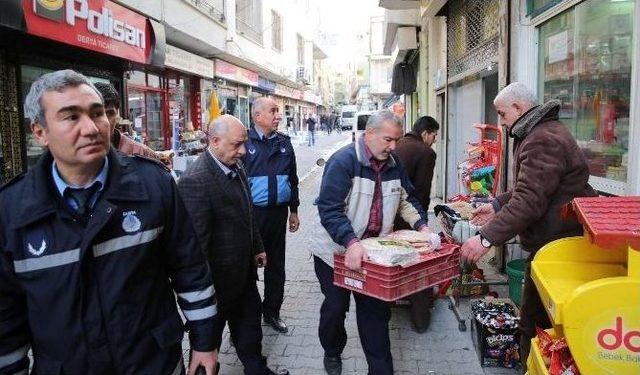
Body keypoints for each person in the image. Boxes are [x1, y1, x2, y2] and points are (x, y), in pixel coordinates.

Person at [0, 70, 218, 374]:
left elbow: (190, 269)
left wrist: (205, 343)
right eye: (71, 117)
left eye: (97, 113)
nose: (91, 128)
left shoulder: (154, 184)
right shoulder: (11, 210)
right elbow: (6, 313)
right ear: (40, 132)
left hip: (153, 363)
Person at [460, 82, 597, 370]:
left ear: (519, 108)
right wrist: (497, 204)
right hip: (555, 242)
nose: (501, 121)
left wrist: (484, 239)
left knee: (534, 323)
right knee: (540, 321)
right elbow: (536, 188)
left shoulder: (541, 139)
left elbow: (530, 200)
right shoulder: (541, 132)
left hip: (558, 247)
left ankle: (532, 367)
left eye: (502, 114)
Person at [313, 109, 430, 375]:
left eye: (396, 140)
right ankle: (332, 351)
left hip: (374, 255)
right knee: (335, 308)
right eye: (388, 140)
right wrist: (351, 242)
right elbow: (330, 209)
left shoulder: (395, 164)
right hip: (335, 253)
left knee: (375, 315)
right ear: (369, 134)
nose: (393, 147)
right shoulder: (343, 161)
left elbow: (406, 199)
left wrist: (422, 227)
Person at [178, 115, 289, 375]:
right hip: (215, 289)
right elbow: (197, 250)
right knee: (207, 351)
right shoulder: (196, 180)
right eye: (236, 145)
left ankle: (257, 370)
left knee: (250, 335)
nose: (242, 151)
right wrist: (204, 298)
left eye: (244, 144)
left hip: (244, 278)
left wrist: (258, 246)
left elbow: (248, 211)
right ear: (214, 141)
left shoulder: (235, 166)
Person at [243, 97, 300, 334]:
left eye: (278, 111)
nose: (278, 115)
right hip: (251, 217)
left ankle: (272, 313)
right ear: (257, 116)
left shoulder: (285, 143)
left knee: (276, 267)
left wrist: (294, 210)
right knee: (247, 269)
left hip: (278, 216)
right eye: (273, 111)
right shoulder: (244, 143)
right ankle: (246, 320)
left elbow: (293, 179)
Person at [393, 115, 439, 333]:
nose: (435, 140)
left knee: (394, 261)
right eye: (434, 135)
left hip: (390, 218)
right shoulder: (426, 152)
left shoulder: (398, 144)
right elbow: (421, 191)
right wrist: (422, 224)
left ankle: (391, 301)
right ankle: (420, 318)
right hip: (411, 216)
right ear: (425, 133)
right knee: (419, 265)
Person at [93, 82, 160, 159]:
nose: (105, 121)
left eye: (109, 114)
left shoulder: (141, 154)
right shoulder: (79, 154)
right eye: (97, 114)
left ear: (117, 114)